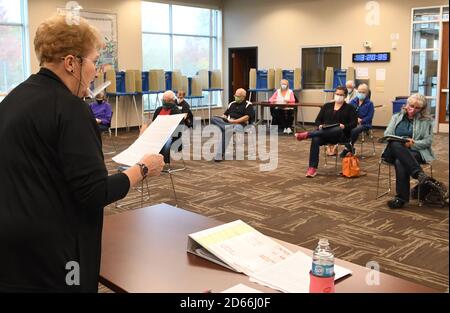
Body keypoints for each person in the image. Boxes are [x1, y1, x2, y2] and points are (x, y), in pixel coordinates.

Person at [0, 15, 165, 292]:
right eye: (94, 61)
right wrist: (143, 168)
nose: (98, 71)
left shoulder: (13, 100)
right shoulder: (71, 109)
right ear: (70, 63)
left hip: (12, 250)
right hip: (56, 258)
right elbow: (93, 193)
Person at [381, 93, 434, 209]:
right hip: (392, 151)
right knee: (395, 142)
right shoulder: (396, 117)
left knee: (401, 162)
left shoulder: (426, 121)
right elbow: (387, 135)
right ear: (406, 104)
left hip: (414, 151)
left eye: (417, 108)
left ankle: (400, 199)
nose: (413, 109)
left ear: (422, 109)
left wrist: (412, 144)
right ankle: (418, 173)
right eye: (411, 106)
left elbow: (427, 141)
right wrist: (402, 142)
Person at [294, 86, 357, 177]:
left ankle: (308, 134)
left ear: (345, 96)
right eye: (337, 94)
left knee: (337, 128)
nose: (338, 96)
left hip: (341, 135)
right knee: (315, 138)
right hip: (324, 134)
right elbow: (318, 120)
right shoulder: (327, 106)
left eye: (341, 95)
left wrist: (344, 126)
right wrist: (319, 125)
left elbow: (354, 124)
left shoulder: (350, 108)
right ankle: (312, 168)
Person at [211, 88, 254, 162]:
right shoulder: (231, 104)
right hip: (228, 123)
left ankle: (219, 155)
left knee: (227, 131)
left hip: (240, 125)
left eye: (237, 96)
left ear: (243, 97)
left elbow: (246, 118)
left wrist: (234, 122)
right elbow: (225, 115)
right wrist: (223, 119)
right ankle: (226, 127)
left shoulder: (248, 105)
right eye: (235, 95)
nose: (235, 97)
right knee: (213, 118)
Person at [141, 90, 182, 165]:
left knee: (166, 141)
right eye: (163, 100)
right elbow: (154, 124)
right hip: (158, 134)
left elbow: (179, 130)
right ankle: (146, 161)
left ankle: (162, 162)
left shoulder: (176, 111)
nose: (164, 102)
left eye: (167, 101)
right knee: (144, 139)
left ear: (172, 101)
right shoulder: (159, 109)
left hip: (171, 137)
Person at [340, 83, 374, 157]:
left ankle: (347, 148)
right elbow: (347, 112)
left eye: (363, 92)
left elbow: (370, 117)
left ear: (367, 93)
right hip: (353, 122)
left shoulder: (370, 104)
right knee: (342, 128)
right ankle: (350, 147)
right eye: (359, 91)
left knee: (354, 130)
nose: (361, 93)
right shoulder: (353, 101)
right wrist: (355, 119)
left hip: (365, 124)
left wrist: (361, 120)